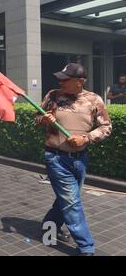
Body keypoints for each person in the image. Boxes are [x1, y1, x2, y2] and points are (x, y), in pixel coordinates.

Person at [36, 63, 112, 256]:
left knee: (69, 199)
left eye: (65, 79)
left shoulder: (94, 99)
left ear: (80, 82)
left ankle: (48, 227)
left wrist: (85, 138)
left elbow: (106, 128)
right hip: (55, 158)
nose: (60, 82)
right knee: (71, 202)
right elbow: (37, 118)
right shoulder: (53, 95)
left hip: (80, 159)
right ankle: (86, 248)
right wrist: (44, 119)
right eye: (60, 78)